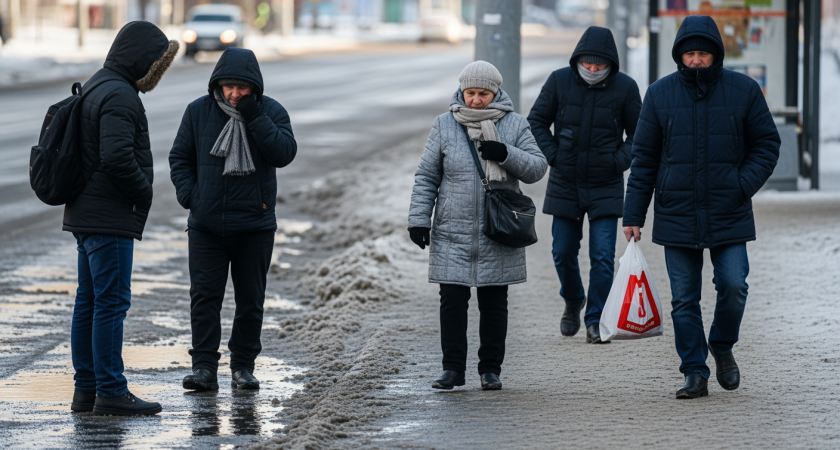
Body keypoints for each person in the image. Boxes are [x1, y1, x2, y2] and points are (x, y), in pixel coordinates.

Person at [623, 15, 780, 399]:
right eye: (690, 54)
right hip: (677, 212)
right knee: (683, 299)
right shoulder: (659, 94)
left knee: (733, 286)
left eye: (703, 54)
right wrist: (633, 215)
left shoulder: (744, 90)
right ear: (680, 55)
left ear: (716, 56)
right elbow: (643, 158)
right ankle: (694, 370)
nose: (696, 60)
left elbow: (767, 144)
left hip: (729, 209)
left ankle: (722, 344)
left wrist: (741, 185)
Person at [408, 61, 548, 391]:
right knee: (452, 302)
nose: (475, 101)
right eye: (470, 93)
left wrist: (506, 153)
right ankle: (452, 369)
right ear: (462, 91)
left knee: (494, 303)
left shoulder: (514, 124)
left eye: (483, 94)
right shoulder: (445, 125)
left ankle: (490, 369)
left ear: (495, 92)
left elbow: (537, 167)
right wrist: (418, 220)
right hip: (452, 230)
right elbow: (427, 175)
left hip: (498, 230)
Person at [63, 21, 178, 415]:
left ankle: (87, 389)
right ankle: (111, 390)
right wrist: (144, 190)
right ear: (143, 60)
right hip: (108, 216)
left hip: (86, 212)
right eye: (156, 65)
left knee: (90, 302)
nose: (155, 74)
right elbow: (116, 158)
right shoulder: (120, 95)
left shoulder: (99, 83)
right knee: (110, 304)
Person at [169, 47, 297, 392]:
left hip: (254, 225)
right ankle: (204, 368)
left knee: (250, 300)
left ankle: (243, 367)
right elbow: (180, 157)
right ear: (218, 84)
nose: (235, 94)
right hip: (206, 226)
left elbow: (284, 153)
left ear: (254, 87)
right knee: (204, 299)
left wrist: (255, 117)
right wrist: (191, 196)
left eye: (242, 88)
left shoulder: (271, 112)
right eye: (229, 87)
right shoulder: (198, 111)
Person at [528, 26, 641, 344]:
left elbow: (639, 135)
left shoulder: (626, 88)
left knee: (603, 257)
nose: (592, 69)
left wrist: (617, 161)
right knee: (562, 251)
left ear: (610, 63)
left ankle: (595, 319)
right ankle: (573, 300)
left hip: (605, 184)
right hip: (566, 181)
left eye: (599, 65)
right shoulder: (559, 80)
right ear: (578, 59)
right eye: (588, 63)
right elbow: (536, 120)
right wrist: (554, 156)